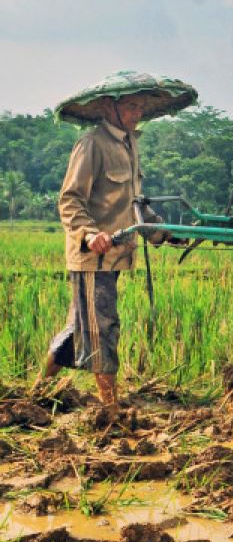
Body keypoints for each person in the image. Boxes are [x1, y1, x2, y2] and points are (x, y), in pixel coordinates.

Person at [37, 72, 197, 407]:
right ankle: (109, 408)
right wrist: (90, 233)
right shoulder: (92, 144)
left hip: (116, 255)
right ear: (110, 107)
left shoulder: (129, 145)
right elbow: (70, 201)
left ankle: (38, 392)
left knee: (79, 327)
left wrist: (167, 234)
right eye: (131, 106)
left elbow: (134, 207)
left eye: (141, 106)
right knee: (103, 326)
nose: (137, 113)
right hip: (93, 257)